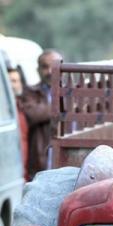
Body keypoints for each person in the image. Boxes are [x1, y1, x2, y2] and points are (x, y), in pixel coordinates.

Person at [22, 49, 62, 180]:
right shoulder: (29, 92)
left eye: (54, 66)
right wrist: (63, 106)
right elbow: (33, 115)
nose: (50, 71)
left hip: (67, 163)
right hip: (40, 165)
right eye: (45, 67)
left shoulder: (73, 92)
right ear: (38, 70)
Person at [7, 64, 29, 181]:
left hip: (22, 171)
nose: (12, 85)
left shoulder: (21, 106)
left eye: (15, 81)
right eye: (9, 81)